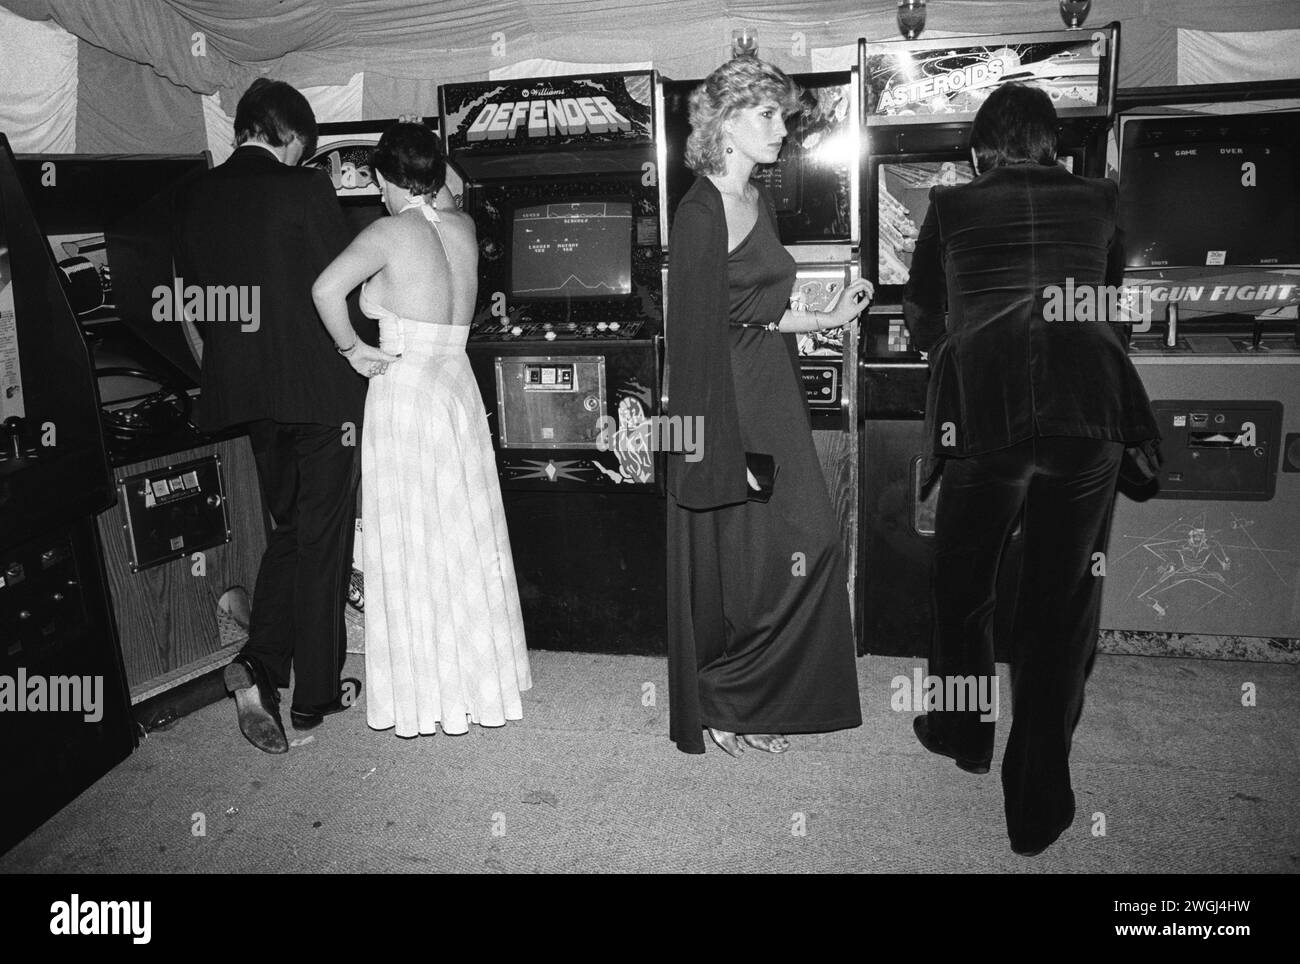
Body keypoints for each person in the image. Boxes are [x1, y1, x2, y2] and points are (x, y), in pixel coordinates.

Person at [903, 83, 1160, 855]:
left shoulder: (951, 206)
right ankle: (1038, 805)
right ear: (1056, 146)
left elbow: (922, 313)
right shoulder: (1102, 200)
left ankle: (961, 730)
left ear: (982, 150)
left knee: (964, 585)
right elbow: (1102, 301)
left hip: (987, 417)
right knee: (1059, 609)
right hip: (1087, 415)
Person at [665, 57, 871, 757]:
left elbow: (754, 311)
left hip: (771, 387)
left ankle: (751, 693)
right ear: (724, 121)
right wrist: (703, 450)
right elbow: (693, 341)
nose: (781, 128)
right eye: (767, 114)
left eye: (782, 114)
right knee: (750, 557)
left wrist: (823, 317)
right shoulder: (698, 213)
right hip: (728, 403)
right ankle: (727, 701)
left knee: (809, 542)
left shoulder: (758, 198)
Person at [312, 123, 531, 738]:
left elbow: (325, 289)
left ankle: (428, 689)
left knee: (414, 537)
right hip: (456, 385)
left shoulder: (387, 231)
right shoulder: (460, 226)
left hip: (406, 391)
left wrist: (352, 349)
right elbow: (447, 192)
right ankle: (476, 681)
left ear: (382, 178)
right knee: (461, 534)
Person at [174, 79, 366, 754]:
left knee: (290, 530)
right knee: (323, 542)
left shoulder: (195, 195)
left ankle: (257, 666)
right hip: (321, 393)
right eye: (302, 149)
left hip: (250, 397)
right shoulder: (304, 188)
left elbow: (199, 304)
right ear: (289, 138)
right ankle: (316, 695)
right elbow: (336, 283)